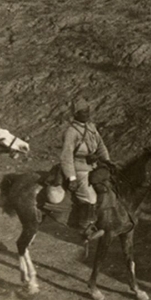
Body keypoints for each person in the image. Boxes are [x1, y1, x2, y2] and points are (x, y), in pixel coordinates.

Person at [61, 98, 110, 241]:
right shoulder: (71, 132)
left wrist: (107, 161)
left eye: (87, 111)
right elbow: (66, 155)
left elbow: (101, 146)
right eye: (83, 112)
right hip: (79, 168)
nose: (86, 114)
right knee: (89, 197)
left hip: (94, 166)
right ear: (75, 114)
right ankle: (85, 229)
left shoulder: (91, 127)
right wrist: (71, 177)